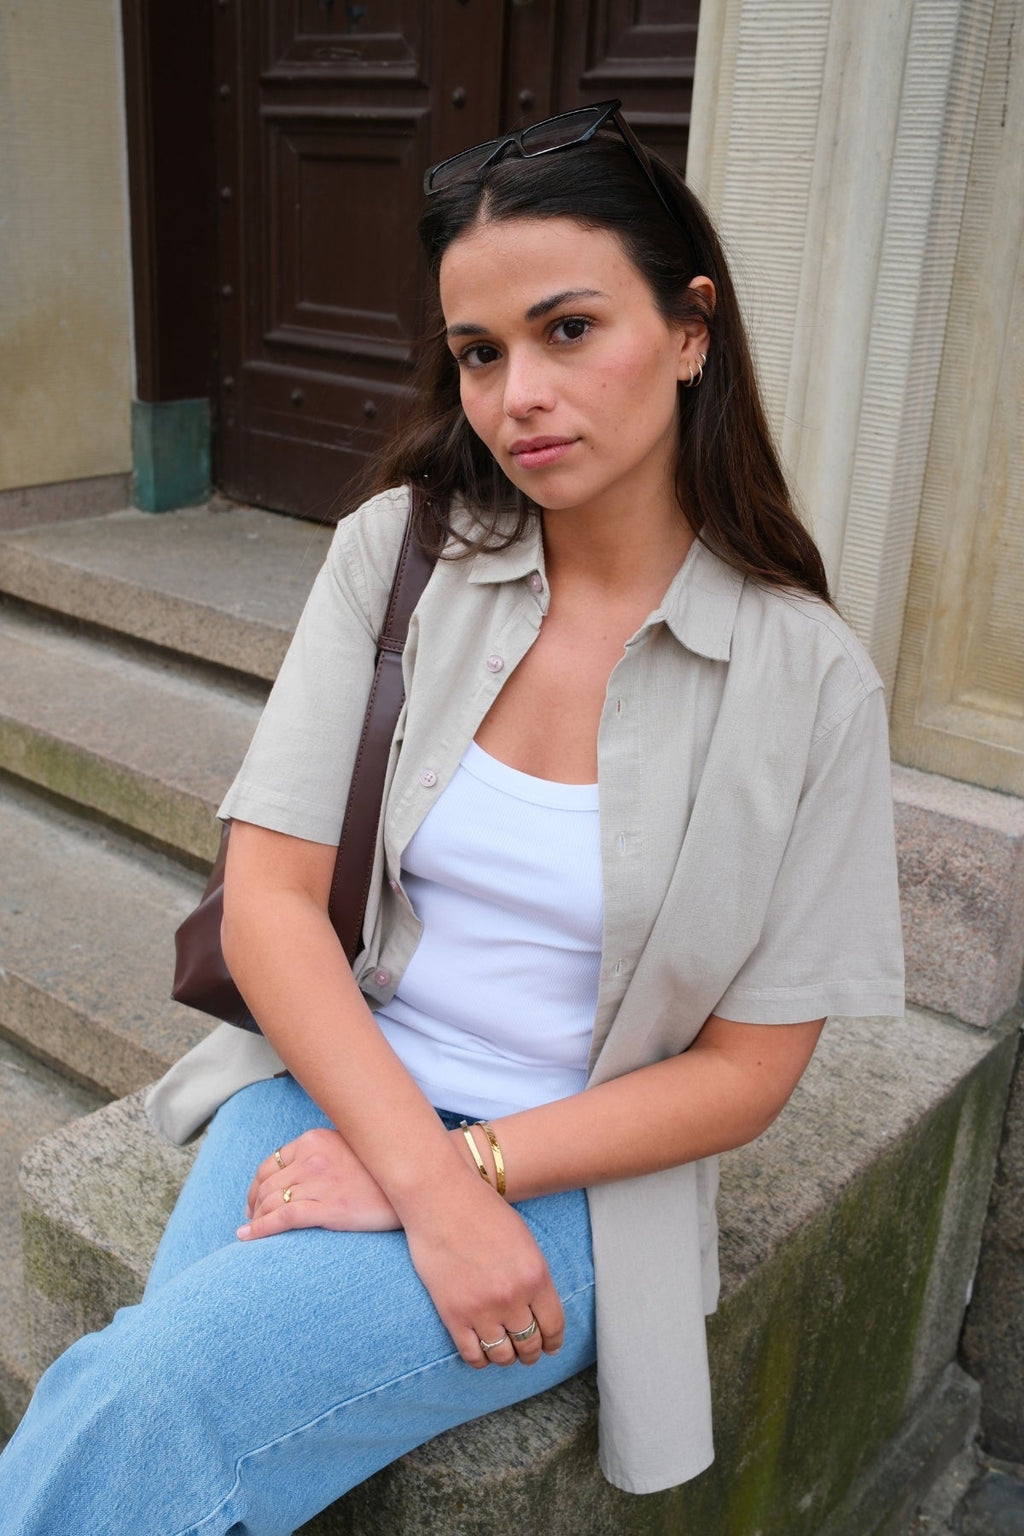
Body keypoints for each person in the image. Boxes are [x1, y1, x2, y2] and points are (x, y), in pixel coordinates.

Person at [0, 100, 904, 1534]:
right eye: (480, 354)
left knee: (159, 1397)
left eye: (567, 330)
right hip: (330, 1076)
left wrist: (468, 1177)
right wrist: (418, 1174)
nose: (516, 394)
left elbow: (745, 1073)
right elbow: (273, 902)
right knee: (163, 1399)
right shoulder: (403, 552)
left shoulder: (807, 684)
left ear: (689, 329)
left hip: (582, 1170)